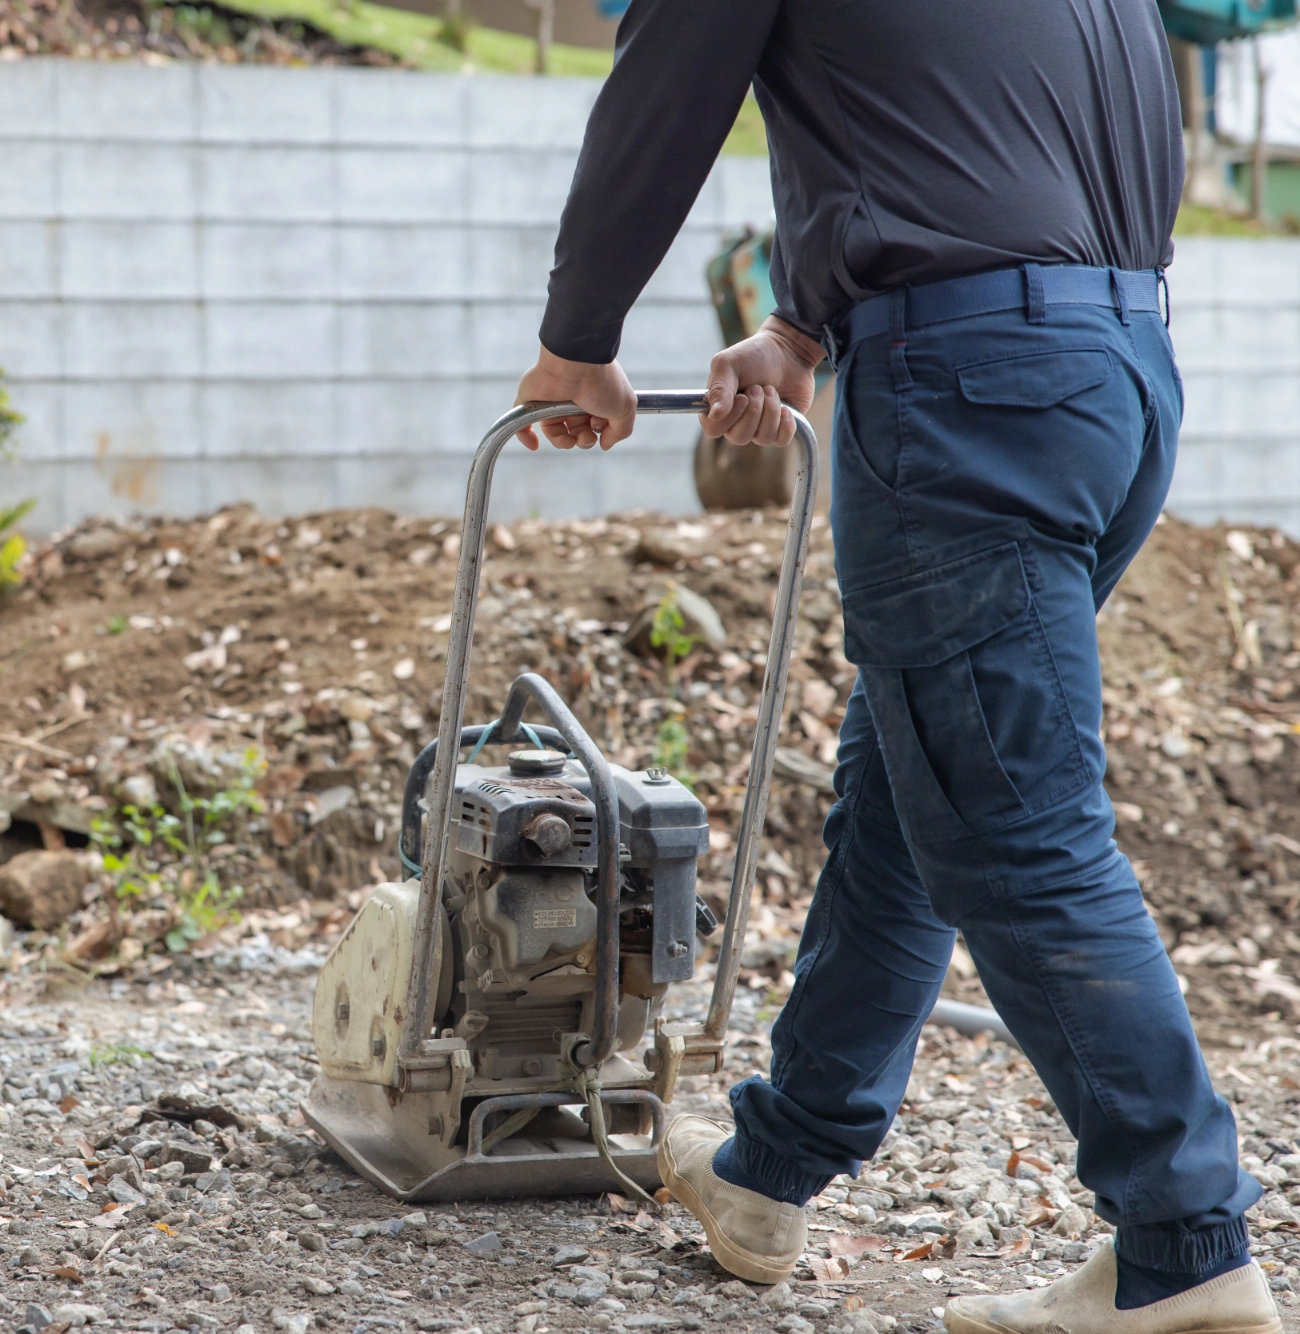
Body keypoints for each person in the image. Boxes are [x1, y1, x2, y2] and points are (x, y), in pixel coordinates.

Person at [511, 5, 1280, 1333]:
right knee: (919, 778)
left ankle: (1186, 1239)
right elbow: (981, 131)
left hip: (967, 391)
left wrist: (579, 337)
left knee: (1012, 823)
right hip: (1115, 370)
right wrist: (804, 328)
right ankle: (773, 1168)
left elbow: (665, 91)